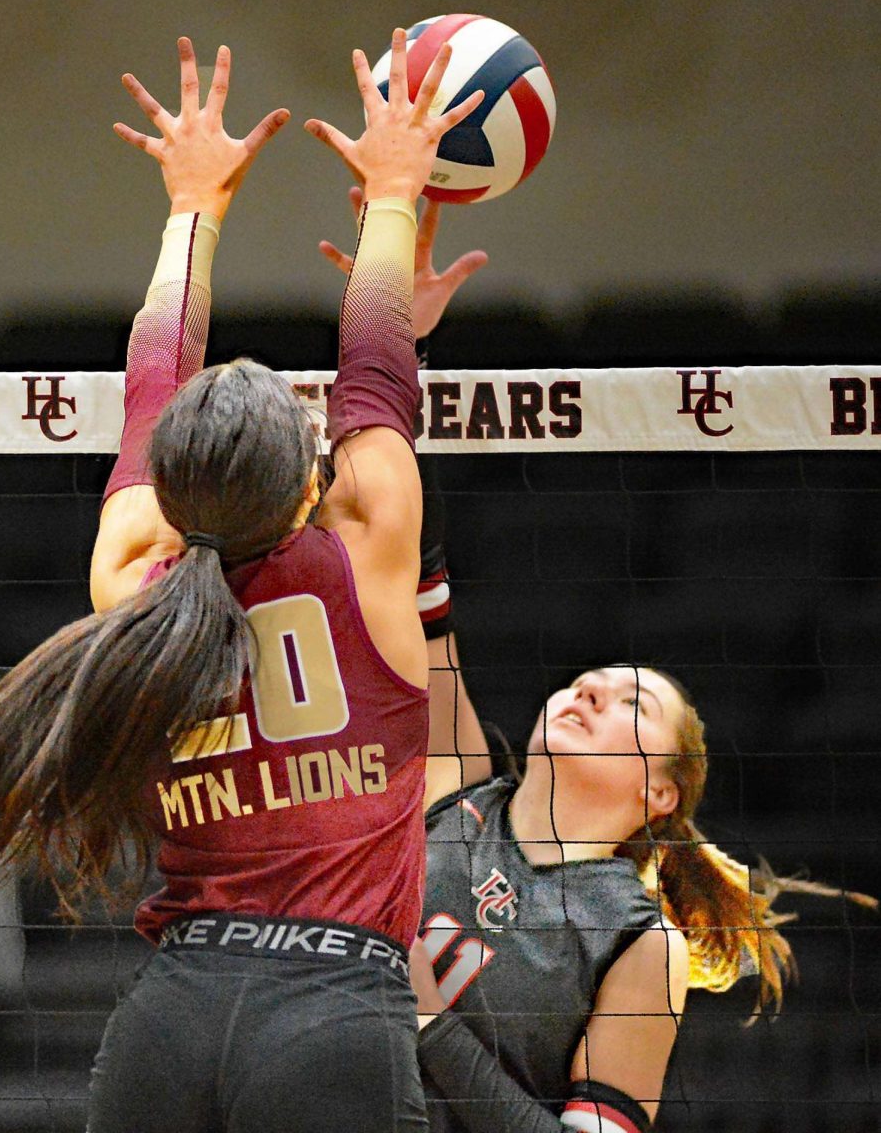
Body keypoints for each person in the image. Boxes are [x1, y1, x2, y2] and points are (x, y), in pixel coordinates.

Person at [0, 31, 485, 1132]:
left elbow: (151, 374)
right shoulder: (359, 550)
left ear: (171, 488)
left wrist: (192, 206)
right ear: (311, 475)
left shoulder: (134, 580)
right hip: (333, 1011)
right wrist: (393, 193)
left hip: (169, 1020)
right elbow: (374, 365)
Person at [321, 209, 877, 1133]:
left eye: (632, 704)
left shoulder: (638, 942)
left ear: (660, 793)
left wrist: (429, 1021)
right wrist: (391, 332)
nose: (591, 688)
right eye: (594, 679)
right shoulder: (457, 784)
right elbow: (401, 534)